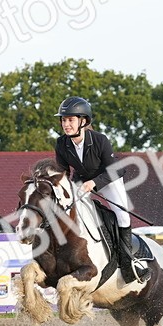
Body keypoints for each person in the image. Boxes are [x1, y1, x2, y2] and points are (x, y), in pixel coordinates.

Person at [53, 96, 147, 283]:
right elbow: (63, 172)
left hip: (108, 177)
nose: (66, 124)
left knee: (122, 216)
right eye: (64, 120)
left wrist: (94, 183)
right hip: (82, 180)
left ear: (83, 121)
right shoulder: (61, 143)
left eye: (70, 119)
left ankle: (128, 262)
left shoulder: (99, 140)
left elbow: (113, 169)